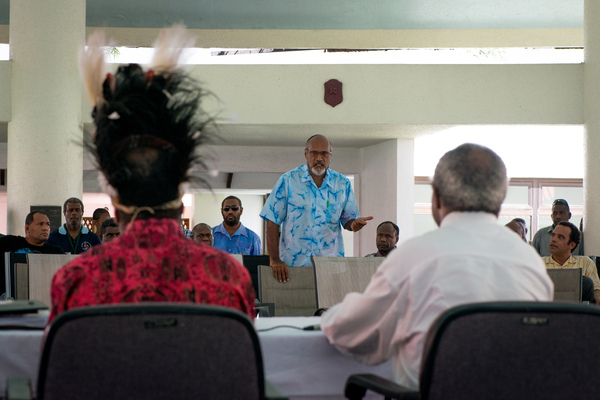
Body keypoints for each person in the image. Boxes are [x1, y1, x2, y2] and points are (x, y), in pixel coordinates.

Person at [48, 26, 255, 323]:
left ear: (115, 207)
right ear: (180, 202)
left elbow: (57, 367)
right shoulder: (229, 276)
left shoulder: (75, 280)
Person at [321, 143, 553, 391]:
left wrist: (328, 316)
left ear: (437, 197)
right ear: (500, 198)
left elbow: (359, 334)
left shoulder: (415, 255)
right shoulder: (531, 263)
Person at [260, 134, 373, 282]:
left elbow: (347, 220)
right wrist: (274, 260)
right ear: (306, 154)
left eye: (324, 153)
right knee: (295, 305)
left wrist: (353, 224)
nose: (319, 158)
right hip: (292, 267)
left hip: (330, 268)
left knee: (329, 306)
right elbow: (272, 220)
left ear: (330, 156)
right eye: (314, 153)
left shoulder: (342, 184)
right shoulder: (288, 181)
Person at [0, 211, 64, 295]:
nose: (45, 228)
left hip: (42, 297)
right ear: (27, 228)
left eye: (47, 224)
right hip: (11, 299)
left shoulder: (55, 252)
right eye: (40, 224)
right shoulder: (10, 243)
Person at [543, 221, 600, 304]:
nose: (553, 239)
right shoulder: (539, 263)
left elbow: (596, 290)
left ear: (572, 245)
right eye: (553, 235)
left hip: (576, 312)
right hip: (546, 311)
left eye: (560, 237)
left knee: (587, 282)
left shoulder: (586, 263)